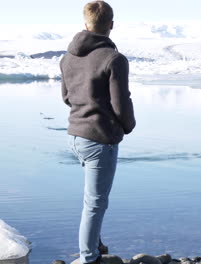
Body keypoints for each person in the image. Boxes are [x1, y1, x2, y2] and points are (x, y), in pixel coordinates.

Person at [60, 1, 136, 263]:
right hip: (100, 138)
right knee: (95, 203)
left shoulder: (67, 58)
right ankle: (88, 257)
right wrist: (127, 126)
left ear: (85, 24)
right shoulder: (114, 59)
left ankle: (96, 244)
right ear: (111, 25)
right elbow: (120, 102)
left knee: (93, 198)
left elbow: (66, 97)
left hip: (75, 136)